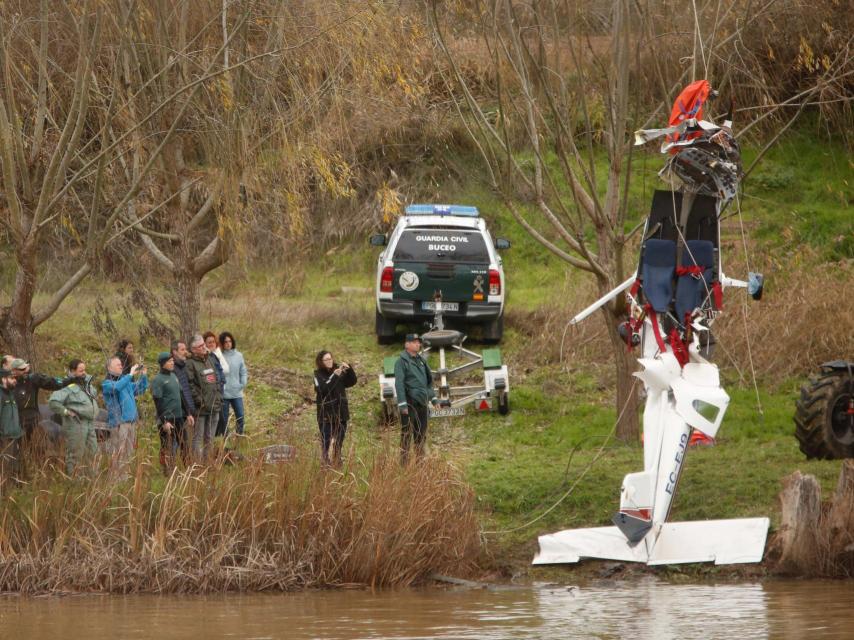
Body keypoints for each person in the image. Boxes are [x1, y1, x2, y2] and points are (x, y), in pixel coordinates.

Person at [9, 358, 72, 466]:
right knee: (16, 453)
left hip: (33, 422)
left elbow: (52, 383)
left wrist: (68, 381)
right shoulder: (8, 383)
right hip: (15, 424)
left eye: (25, 368)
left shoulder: (33, 379)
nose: (25, 370)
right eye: (22, 369)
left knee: (38, 450)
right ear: (14, 370)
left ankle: (37, 473)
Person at [393, 334, 439, 464]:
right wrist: (402, 405)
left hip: (422, 402)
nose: (418, 344)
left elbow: (428, 382)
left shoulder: (422, 361)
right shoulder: (401, 362)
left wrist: (434, 399)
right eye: (414, 342)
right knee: (406, 434)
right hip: (409, 403)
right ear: (407, 344)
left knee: (420, 434)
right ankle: (404, 463)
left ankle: (420, 463)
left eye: (418, 342)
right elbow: (399, 384)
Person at [48, 359, 99, 477]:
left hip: (89, 423)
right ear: (72, 371)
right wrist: (66, 411)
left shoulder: (86, 384)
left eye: (85, 370)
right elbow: (53, 402)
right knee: (76, 454)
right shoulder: (66, 386)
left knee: (93, 451)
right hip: (76, 424)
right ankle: (75, 481)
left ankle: (90, 479)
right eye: (81, 370)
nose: (84, 373)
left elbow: (94, 395)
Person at [102, 356, 148, 476]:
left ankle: (124, 479)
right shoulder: (107, 383)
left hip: (131, 422)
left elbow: (140, 389)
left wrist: (143, 375)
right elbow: (116, 388)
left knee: (128, 452)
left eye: (121, 364)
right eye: (118, 364)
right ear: (109, 367)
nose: (121, 366)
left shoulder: (125, 381)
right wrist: (130, 375)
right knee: (118, 452)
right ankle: (115, 480)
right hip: (119, 423)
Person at [313, 351, 357, 467]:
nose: (329, 361)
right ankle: (325, 465)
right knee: (326, 443)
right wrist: (334, 376)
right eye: (326, 360)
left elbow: (352, 382)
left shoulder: (337, 370)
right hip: (326, 415)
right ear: (320, 362)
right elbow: (322, 390)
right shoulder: (317, 375)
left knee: (339, 442)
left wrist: (349, 370)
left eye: (330, 358)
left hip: (341, 413)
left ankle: (337, 463)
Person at [150, 352, 190, 474]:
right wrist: (164, 421)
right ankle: (167, 471)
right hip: (166, 419)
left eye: (173, 361)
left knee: (184, 444)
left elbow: (181, 395)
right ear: (163, 364)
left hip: (179, 418)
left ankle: (188, 470)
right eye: (169, 361)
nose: (172, 363)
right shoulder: (158, 380)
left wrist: (188, 413)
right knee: (166, 446)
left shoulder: (174, 376)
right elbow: (158, 402)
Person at [186, 334, 223, 463]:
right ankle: (196, 465)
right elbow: (190, 385)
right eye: (200, 346)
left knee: (210, 437)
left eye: (204, 344)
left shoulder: (209, 359)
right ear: (193, 349)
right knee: (198, 438)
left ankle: (207, 463)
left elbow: (216, 378)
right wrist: (200, 401)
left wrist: (218, 397)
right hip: (201, 409)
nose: (204, 347)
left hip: (214, 405)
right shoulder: (190, 363)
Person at [219, 331, 248, 436]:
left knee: (240, 416)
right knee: (224, 420)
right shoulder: (219, 356)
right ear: (222, 343)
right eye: (225, 342)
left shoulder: (239, 355)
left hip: (237, 392)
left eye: (230, 341)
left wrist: (243, 383)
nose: (228, 343)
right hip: (224, 393)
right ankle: (225, 441)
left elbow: (243, 371)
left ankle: (239, 438)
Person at [0, 369, 22, 490]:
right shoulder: (1, 395)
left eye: (15, 379)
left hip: (15, 437)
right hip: (5, 439)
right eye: (12, 378)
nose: (15, 381)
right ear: (3, 379)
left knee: (14, 468)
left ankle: (13, 494)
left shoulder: (11, 394)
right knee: (5, 468)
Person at [203, 331, 228, 437]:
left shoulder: (216, 355)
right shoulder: (206, 357)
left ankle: (219, 444)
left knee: (221, 420)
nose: (212, 344)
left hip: (220, 393)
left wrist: (222, 382)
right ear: (204, 344)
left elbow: (222, 371)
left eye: (213, 342)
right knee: (216, 422)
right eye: (209, 342)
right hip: (210, 396)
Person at [170, 340, 197, 436]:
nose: (185, 352)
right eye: (182, 349)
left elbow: (187, 389)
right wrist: (187, 411)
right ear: (174, 351)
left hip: (187, 410)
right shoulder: (172, 369)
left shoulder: (183, 366)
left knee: (185, 442)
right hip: (178, 412)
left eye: (185, 349)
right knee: (175, 442)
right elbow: (178, 392)